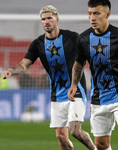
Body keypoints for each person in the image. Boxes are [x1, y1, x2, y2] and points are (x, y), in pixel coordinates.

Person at [2, 5, 96, 150]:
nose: (46, 21)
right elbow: (24, 64)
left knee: (75, 131)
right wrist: (11, 71)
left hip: (76, 91)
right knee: (61, 137)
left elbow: (86, 56)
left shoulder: (72, 37)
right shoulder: (38, 44)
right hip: (57, 95)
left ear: (57, 19)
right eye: (43, 19)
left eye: (50, 18)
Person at [68, 0, 118, 150]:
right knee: (101, 144)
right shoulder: (83, 39)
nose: (92, 17)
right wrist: (74, 84)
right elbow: (78, 63)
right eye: (90, 13)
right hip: (98, 98)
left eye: (97, 13)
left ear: (107, 14)